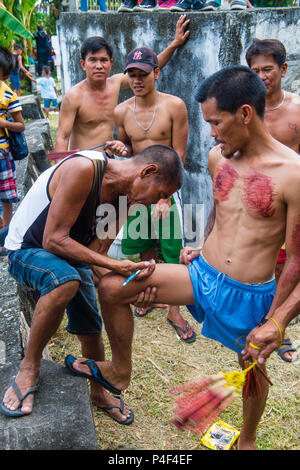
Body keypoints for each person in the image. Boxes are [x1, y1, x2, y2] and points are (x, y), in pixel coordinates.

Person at [66, 66, 300, 450]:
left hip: (250, 293)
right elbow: (220, 211)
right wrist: (202, 243)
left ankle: (249, 439)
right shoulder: (216, 158)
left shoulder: (293, 174)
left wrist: (277, 321)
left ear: (244, 114)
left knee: (252, 370)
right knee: (112, 286)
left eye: (216, 122)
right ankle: (120, 371)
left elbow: (296, 261)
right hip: (202, 274)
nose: (211, 133)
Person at [0, 145, 183, 422]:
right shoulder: (85, 168)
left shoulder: (126, 199)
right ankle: (29, 366)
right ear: (148, 171)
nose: (154, 203)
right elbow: (53, 239)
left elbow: (96, 255)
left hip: (67, 255)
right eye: (160, 194)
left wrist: (129, 285)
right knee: (65, 281)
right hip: (27, 250)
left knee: (91, 323)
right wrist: (117, 266)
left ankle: (98, 390)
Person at [104, 47, 195, 343]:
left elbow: (178, 156)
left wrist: (166, 197)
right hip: (137, 189)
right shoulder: (121, 111)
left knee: (171, 247)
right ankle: (147, 295)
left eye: (143, 73)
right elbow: (129, 154)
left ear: (156, 72)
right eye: (132, 74)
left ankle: (174, 309)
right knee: (141, 243)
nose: (137, 79)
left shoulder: (174, 106)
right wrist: (121, 150)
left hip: (166, 187)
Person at [54, 15, 190, 155]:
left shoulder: (116, 83)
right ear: (83, 64)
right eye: (93, 60)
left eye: (103, 60)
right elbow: (62, 137)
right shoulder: (74, 96)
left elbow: (147, 69)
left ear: (111, 63)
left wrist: (175, 44)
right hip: (82, 163)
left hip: (109, 163)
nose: (98, 66)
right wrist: (59, 169)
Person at [246, 38, 300, 363]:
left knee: (289, 264)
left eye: (268, 69)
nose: (262, 76)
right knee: (261, 264)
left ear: (283, 69)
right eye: (255, 70)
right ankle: (261, 321)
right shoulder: (248, 110)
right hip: (259, 201)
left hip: (292, 201)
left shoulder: (297, 109)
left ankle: (278, 326)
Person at [0, 45, 25, 255]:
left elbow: (21, 125)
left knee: (7, 197)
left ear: (5, 75)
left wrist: (3, 123)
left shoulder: (8, 94)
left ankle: (6, 236)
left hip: (2, 152)